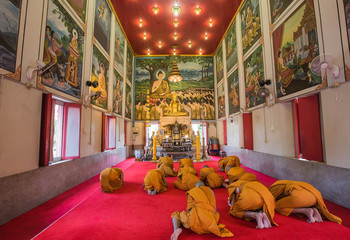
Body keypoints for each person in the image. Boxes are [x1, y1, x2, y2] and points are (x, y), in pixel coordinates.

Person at [269, 180, 342, 224]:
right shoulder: (283, 182)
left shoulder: (272, 189)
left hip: (300, 198)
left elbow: (270, 200)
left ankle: (306, 211)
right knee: (296, 199)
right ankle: (314, 210)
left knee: (277, 205)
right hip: (315, 198)